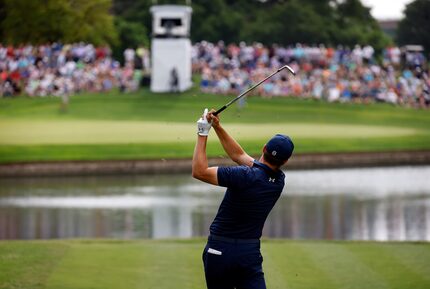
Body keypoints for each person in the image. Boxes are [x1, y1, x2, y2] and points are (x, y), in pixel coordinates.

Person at [192, 108, 294, 289]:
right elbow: (238, 155)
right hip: (249, 253)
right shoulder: (279, 181)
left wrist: (202, 133)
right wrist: (217, 126)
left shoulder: (242, 175)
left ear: (264, 149)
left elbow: (199, 171)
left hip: (219, 249)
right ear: (285, 161)